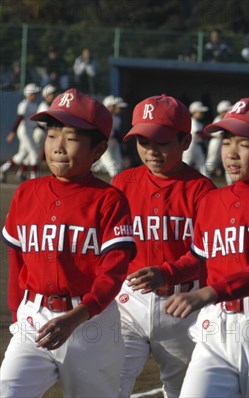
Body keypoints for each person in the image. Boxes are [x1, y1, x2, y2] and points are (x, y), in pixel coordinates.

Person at [162, 98, 249, 396]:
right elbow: (199, 258)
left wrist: (208, 292)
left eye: (245, 143)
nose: (231, 151)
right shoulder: (211, 201)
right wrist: (166, 273)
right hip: (216, 323)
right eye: (227, 140)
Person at [0, 88, 136, 397]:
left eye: (71, 138)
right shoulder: (26, 193)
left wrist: (77, 316)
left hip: (90, 322)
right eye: (51, 135)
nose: (58, 147)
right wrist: (17, 315)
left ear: (99, 149)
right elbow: (16, 258)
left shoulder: (109, 200)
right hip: (34, 318)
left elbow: (113, 274)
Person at [112, 94, 216, 398]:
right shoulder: (122, 184)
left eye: (162, 142)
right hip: (128, 302)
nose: (151, 150)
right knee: (109, 382)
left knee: (184, 390)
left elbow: (207, 253)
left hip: (183, 304)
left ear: (185, 141)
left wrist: (168, 272)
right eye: (143, 141)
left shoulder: (202, 191)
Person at [1, 83, 41, 183]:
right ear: (28, 94)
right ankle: (34, 179)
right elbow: (19, 119)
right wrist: (12, 132)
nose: (35, 95)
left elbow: (33, 121)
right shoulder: (24, 104)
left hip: (30, 131)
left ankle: (3, 169)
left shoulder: (34, 104)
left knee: (21, 155)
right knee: (34, 153)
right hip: (23, 131)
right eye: (34, 93)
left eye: (36, 93)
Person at [93, 95, 127, 178]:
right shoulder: (100, 116)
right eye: (116, 106)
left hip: (112, 141)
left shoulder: (116, 118)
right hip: (103, 141)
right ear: (110, 106)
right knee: (111, 165)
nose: (119, 108)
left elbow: (116, 132)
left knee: (118, 164)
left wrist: (121, 142)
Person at [204, 99, 231, 179]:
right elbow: (218, 134)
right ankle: (206, 178)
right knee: (211, 162)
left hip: (223, 143)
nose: (227, 112)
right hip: (216, 142)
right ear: (221, 112)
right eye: (226, 111)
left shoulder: (227, 119)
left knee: (225, 162)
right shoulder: (218, 119)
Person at [182, 101, 208, 174]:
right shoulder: (192, 121)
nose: (202, 113)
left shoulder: (199, 122)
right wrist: (210, 136)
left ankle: (208, 181)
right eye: (200, 112)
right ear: (194, 112)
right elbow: (198, 133)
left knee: (202, 164)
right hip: (190, 146)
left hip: (197, 145)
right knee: (185, 163)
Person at [33, 84, 58, 160]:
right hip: (39, 132)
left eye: (53, 93)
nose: (53, 96)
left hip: (44, 132)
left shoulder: (50, 106)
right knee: (33, 155)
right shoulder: (43, 106)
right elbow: (45, 123)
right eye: (51, 94)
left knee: (32, 155)